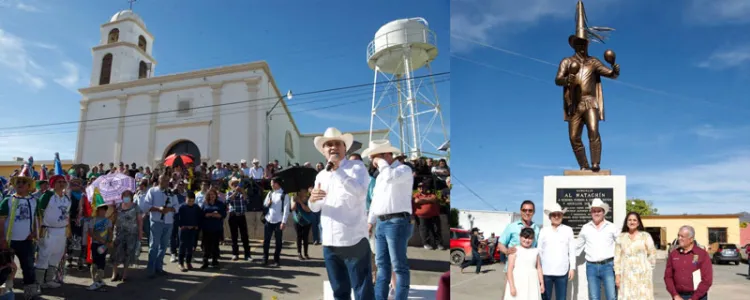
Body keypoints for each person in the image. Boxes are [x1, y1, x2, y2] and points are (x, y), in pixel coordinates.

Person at [309, 127, 374, 300]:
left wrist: (338, 171)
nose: (333, 147)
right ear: (323, 150)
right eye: (328, 144)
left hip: (354, 241)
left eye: (337, 143)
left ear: (345, 148)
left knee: (363, 292)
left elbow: (360, 193)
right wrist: (312, 199)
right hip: (330, 242)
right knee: (339, 292)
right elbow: (315, 208)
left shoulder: (357, 167)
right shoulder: (321, 175)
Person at [363, 140, 414, 300]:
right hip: (382, 223)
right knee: (382, 266)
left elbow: (391, 177)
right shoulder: (380, 176)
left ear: (386, 155)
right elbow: (376, 201)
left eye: (375, 158)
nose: (373, 162)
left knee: (399, 266)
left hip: (397, 221)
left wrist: (382, 163)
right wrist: (370, 221)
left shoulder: (403, 169)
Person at [0, 175, 41, 298]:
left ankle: (30, 293)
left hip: (26, 241)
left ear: (29, 186)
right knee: (6, 269)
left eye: (23, 182)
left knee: (28, 267)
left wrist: (34, 232)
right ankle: (6, 293)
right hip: (8, 241)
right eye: (18, 182)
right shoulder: (7, 200)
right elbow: (1, 221)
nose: (20, 184)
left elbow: (37, 219)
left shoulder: (34, 200)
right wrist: (2, 239)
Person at [576, 198, 618, 300]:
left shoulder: (612, 227)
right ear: (591, 212)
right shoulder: (585, 228)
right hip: (591, 267)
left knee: (612, 297)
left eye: (599, 211)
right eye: (594, 211)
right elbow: (576, 246)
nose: (596, 213)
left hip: (608, 266)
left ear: (603, 212)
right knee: (594, 297)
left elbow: (622, 244)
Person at [34, 175, 71, 289]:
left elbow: (67, 216)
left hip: (62, 231)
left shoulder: (67, 198)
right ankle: (39, 282)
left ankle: (49, 280)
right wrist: (37, 230)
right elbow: (38, 213)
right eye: (58, 182)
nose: (61, 184)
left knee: (57, 255)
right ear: (53, 184)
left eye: (63, 182)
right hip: (48, 230)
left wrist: (68, 230)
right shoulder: (47, 196)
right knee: (44, 255)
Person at [141, 174, 179, 278]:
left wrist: (169, 209)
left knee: (163, 246)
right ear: (159, 180)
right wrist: (159, 209)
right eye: (163, 180)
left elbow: (177, 206)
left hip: (168, 223)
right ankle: (150, 269)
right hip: (156, 222)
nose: (165, 182)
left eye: (167, 180)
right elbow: (146, 206)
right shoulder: (152, 191)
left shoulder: (171, 192)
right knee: (154, 246)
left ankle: (159, 267)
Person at [664, 225, 712, 300]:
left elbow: (707, 280)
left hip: (698, 296)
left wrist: (694, 298)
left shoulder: (702, 254)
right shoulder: (673, 254)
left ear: (691, 239)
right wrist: (675, 295)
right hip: (678, 296)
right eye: (678, 236)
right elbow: (668, 277)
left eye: (682, 236)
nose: (679, 238)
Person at [615, 212, 656, 299]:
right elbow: (617, 258)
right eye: (629, 220)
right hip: (626, 276)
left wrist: (647, 268)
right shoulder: (621, 237)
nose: (632, 222)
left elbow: (652, 253)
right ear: (626, 222)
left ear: (638, 223)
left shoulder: (645, 236)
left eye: (634, 220)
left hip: (642, 276)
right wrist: (617, 275)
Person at [538, 203, 575, 300]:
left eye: (559, 214)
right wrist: (539, 269)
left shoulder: (568, 230)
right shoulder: (543, 231)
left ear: (562, 216)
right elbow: (539, 250)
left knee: (561, 298)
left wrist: (572, 268)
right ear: (550, 217)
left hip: (562, 272)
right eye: (554, 215)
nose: (556, 217)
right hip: (546, 272)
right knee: (545, 298)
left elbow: (571, 250)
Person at [497, 200, 541, 272]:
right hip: (513, 269)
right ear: (520, 211)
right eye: (524, 210)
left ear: (534, 212)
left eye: (530, 210)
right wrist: (506, 251)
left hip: (530, 269)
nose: (527, 213)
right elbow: (500, 244)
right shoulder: (511, 227)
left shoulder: (537, 229)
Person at [110, 190, 143, 282]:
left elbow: (140, 221)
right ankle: (115, 273)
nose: (126, 197)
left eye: (128, 195)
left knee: (128, 253)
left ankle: (125, 274)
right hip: (119, 233)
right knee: (115, 253)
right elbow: (113, 219)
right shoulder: (118, 206)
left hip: (131, 234)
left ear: (131, 197)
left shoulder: (136, 207)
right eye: (124, 195)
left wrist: (140, 232)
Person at [504, 228, 544, 300]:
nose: (527, 240)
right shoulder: (514, 250)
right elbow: (509, 270)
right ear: (520, 237)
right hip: (518, 281)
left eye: (530, 238)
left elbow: (539, 268)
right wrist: (512, 286)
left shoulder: (535, 251)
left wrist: (542, 283)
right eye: (525, 237)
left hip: (532, 282)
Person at [262, 178, 290, 266]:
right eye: (271, 183)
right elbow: (264, 204)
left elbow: (286, 210)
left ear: (278, 184)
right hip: (268, 220)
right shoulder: (270, 193)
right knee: (266, 240)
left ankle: (276, 259)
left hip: (278, 221)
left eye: (273, 183)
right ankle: (265, 258)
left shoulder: (284, 195)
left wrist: (283, 222)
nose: (271, 185)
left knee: (278, 241)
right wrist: (268, 203)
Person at [87, 204, 113, 291]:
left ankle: (99, 280)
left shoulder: (108, 221)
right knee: (95, 261)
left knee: (102, 261)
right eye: (101, 210)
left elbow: (110, 232)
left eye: (104, 210)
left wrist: (109, 241)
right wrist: (98, 239)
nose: (102, 212)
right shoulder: (93, 220)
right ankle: (95, 280)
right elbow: (90, 233)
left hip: (104, 245)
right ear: (97, 211)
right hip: (95, 244)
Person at [176, 191, 202, 272]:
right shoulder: (181, 207)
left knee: (191, 247)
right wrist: (181, 226)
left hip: (193, 229)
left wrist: (197, 226)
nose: (190, 202)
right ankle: (180, 263)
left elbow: (199, 217)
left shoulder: (196, 207)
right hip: (184, 229)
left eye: (192, 201)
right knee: (182, 246)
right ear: (185, 199)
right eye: (189, 200)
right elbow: (177, 218)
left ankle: (188, 262)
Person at [226, 178, 251, 261]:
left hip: (241, 216)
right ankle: (235, 254)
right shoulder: (229, 192)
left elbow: (247, 201)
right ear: (231, 186)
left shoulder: (243, 192)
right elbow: (228, 201)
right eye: (234, 184)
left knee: (245, 236)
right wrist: (235, 192)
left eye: (237, 183)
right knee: (234, 236)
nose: (236, 185)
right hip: (233, 216)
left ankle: (247, 255)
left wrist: (243, 192)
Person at [199, 188, 226, 269]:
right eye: (210, 195)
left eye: (213, 194)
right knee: (205, 246)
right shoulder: (204, 203)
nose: (212, 196)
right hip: (206, 228)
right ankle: (205, 261)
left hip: (216, 228)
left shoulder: (220, 204)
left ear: (216, 195)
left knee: (215, 245)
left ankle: (215, 261)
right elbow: (201, 214)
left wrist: (215, 215)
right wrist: (207, 215)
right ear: (208, 195)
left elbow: (223, 215)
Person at [291, 188, 313, 260]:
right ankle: (299, 253)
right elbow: (293, 208)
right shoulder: (294, 197)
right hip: (297, 220)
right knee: (299, 236)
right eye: (300, 191)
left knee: (306, 237)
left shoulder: (309, 199)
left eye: (304, 191)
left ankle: (306, 253)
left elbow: (308, 209)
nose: (302, 192)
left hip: (307, 220)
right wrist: (295, 201)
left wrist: (300, 202)